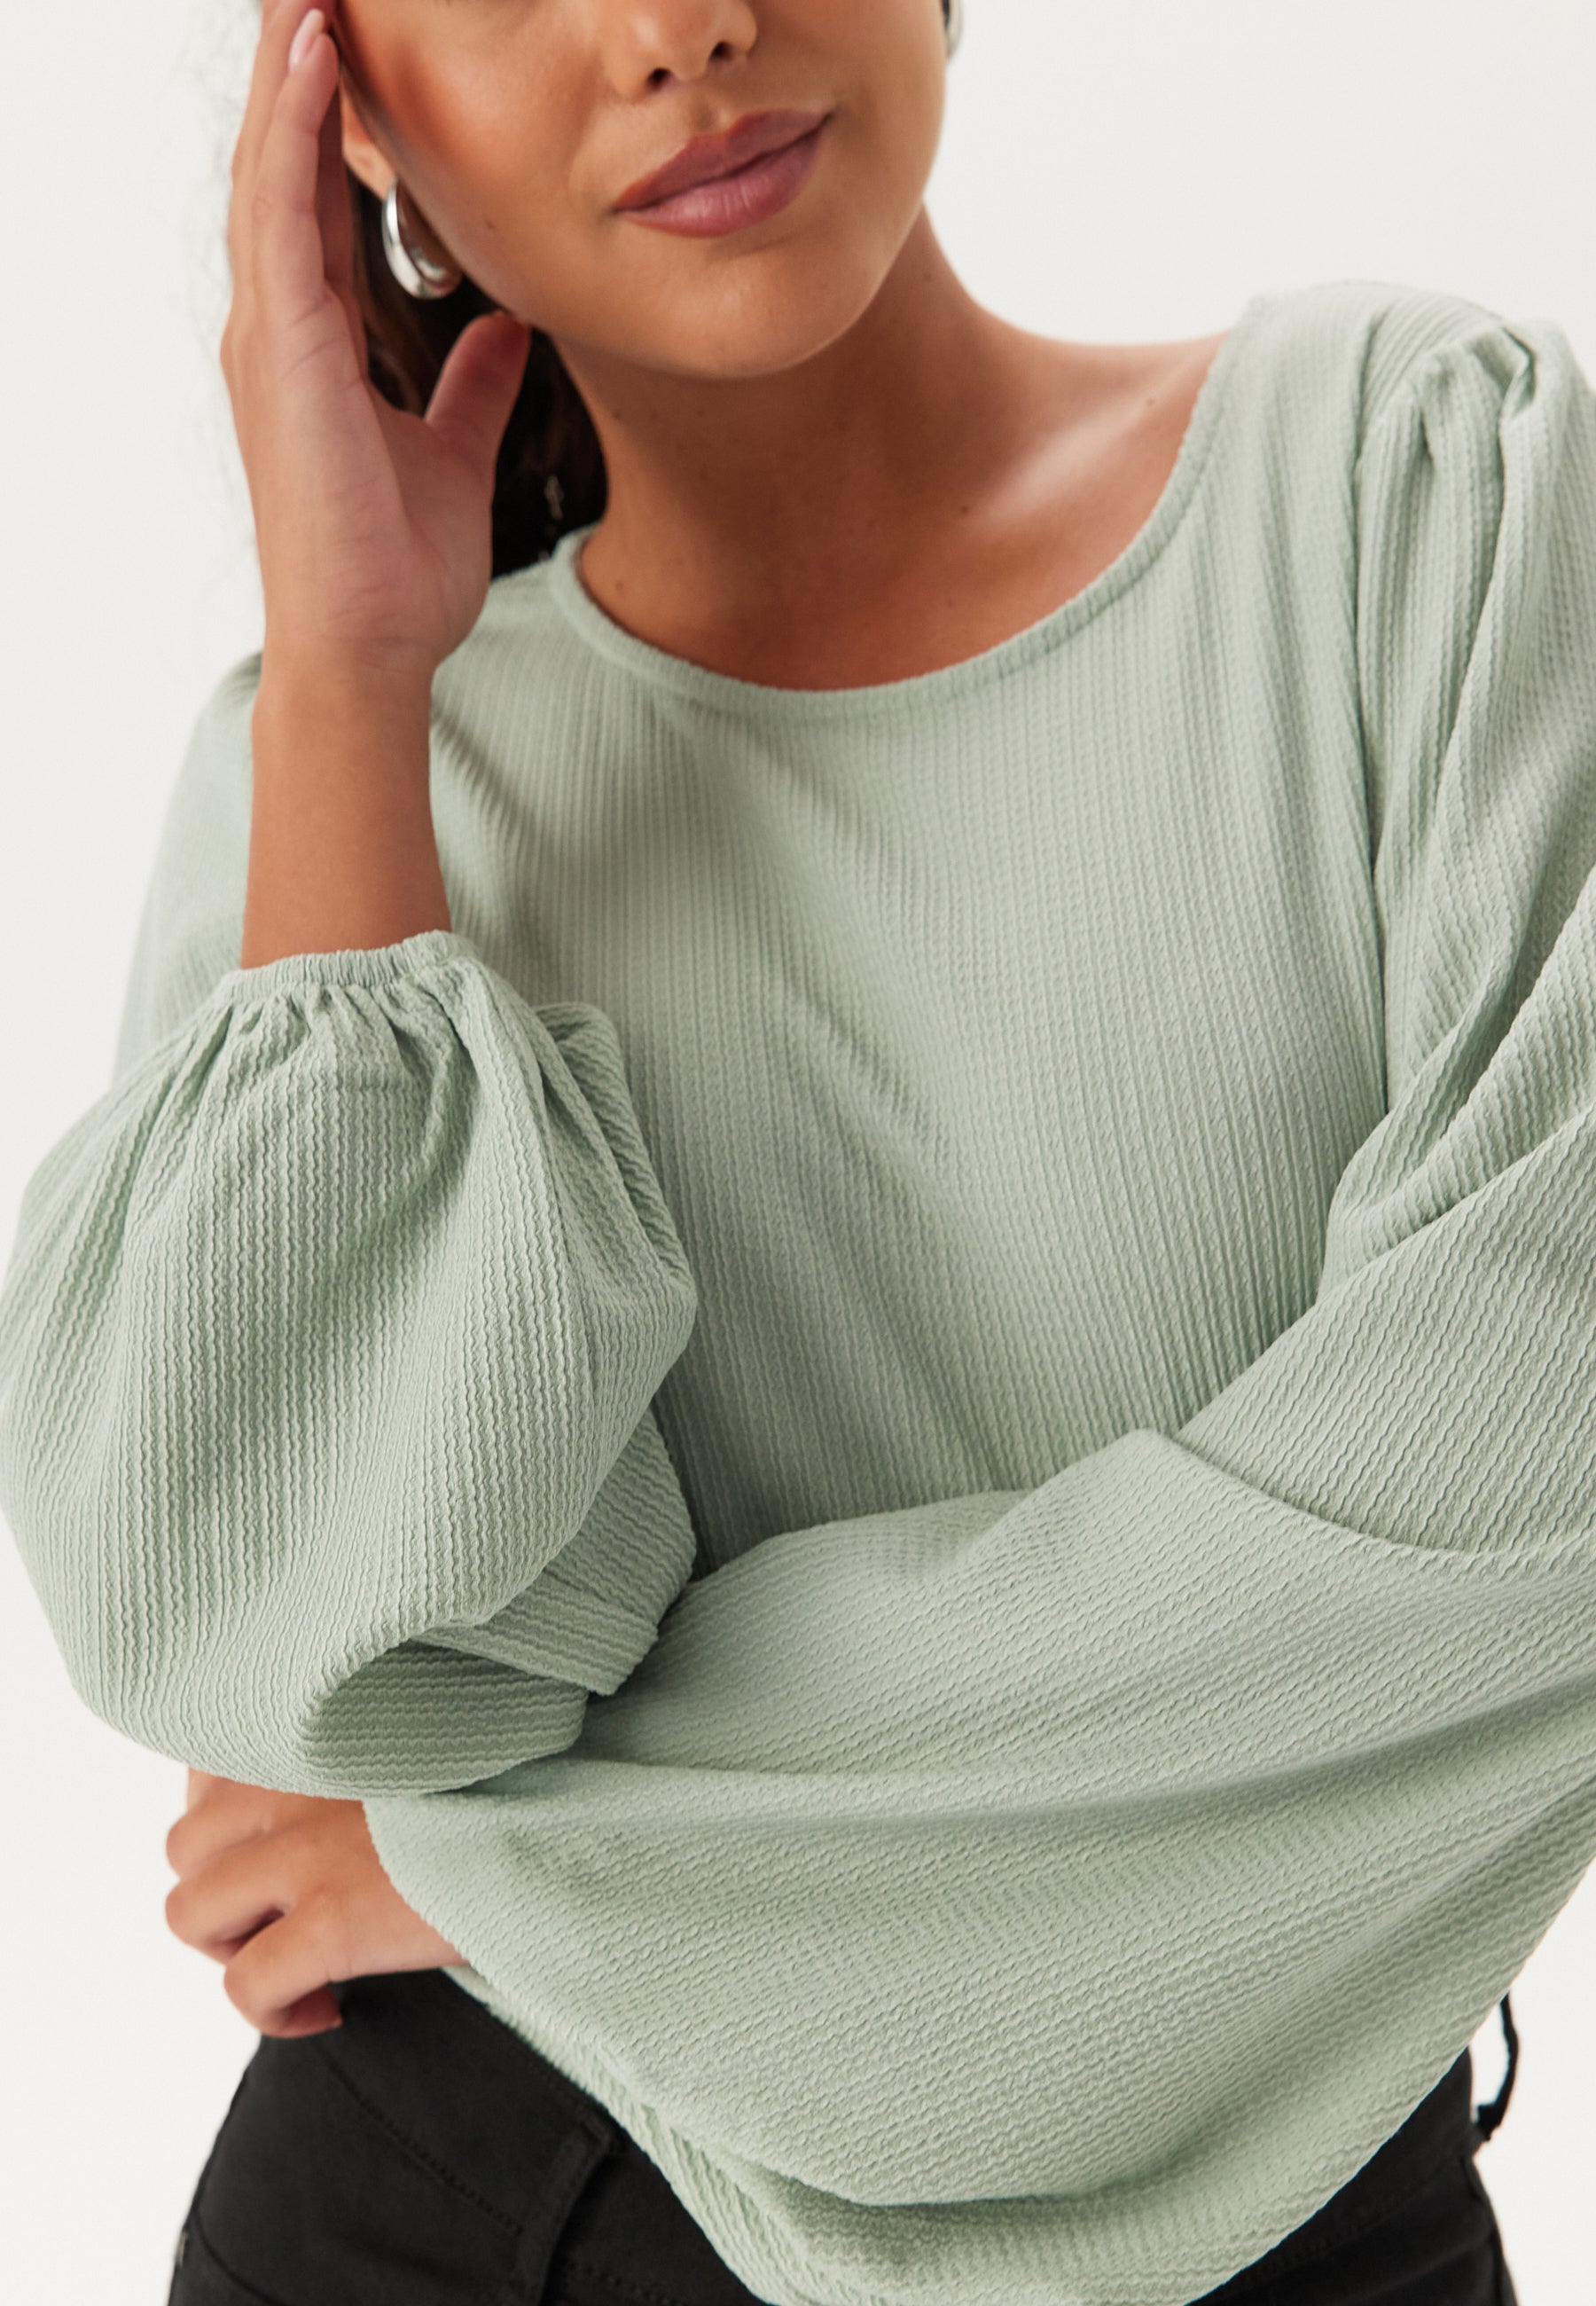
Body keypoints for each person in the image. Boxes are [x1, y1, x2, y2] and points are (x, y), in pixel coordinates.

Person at [17, 0, 1596, 2298]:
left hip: (1286, 2226)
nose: (682, 29)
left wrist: (526, 1859)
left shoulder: (1421, 492)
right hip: (473, 2215)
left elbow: (1543, 1493)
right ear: (349, 107)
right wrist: (352, 677)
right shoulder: (350, 793)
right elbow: (336, 1660)